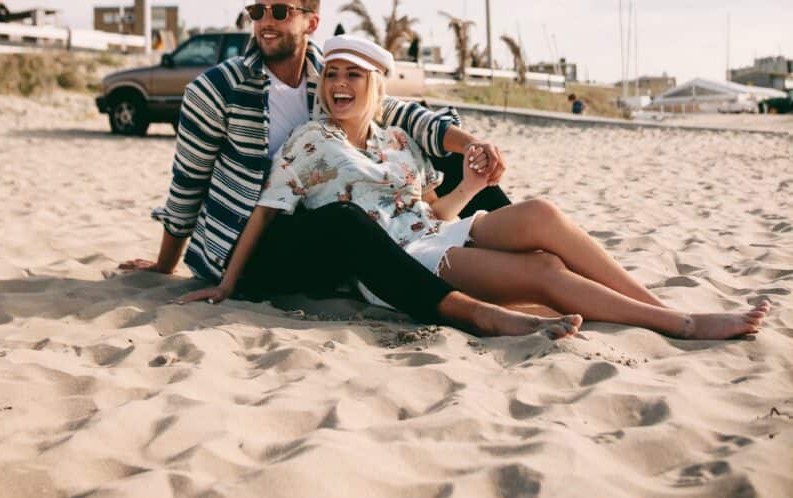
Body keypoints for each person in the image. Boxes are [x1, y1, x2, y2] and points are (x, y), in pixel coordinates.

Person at [195, 34, 770, 341]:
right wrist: (226, 283)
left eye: (353, 76)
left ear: (375, 86)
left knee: (541, 215)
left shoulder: (397, 140)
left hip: (435, 230)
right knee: (542, 273)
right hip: (398, 262)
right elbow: (266, 212)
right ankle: (682, 325)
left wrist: (469, 184)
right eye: (334, 75)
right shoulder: (309, 143)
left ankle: (655, 306)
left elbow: (430, 208)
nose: (340, 84)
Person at [121, 0, 579, 339]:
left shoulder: (329, 71)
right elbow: (188, 181)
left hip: (320, 231)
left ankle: (531, 258)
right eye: (257, 11)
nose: (266, 22)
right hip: (255, 245)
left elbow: (401, 113)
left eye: (280, 11)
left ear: (310, 22)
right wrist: (167, 263)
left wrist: (472, 145)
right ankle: (476, 313)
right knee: (344, 219)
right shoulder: (217, 89)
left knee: (443, 160)